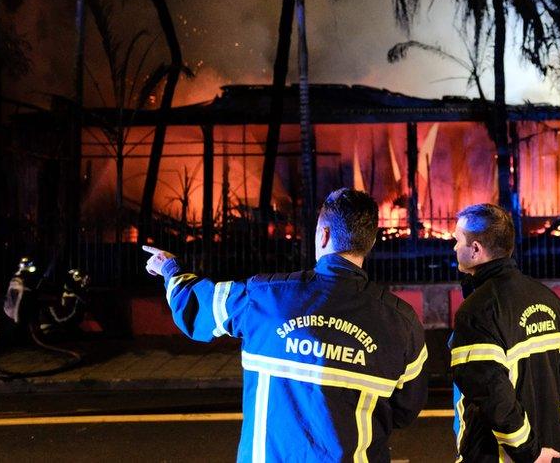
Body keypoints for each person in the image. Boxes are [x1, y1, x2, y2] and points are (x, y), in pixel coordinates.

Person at [143, 188, 428, 462]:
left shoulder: (266, 298)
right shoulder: (401, 322)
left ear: (324, 234)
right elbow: (405, 410)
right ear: (370, 241)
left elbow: (198, 308)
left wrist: (170, 269)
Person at [449, 204, 560, 463]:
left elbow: (492, 392)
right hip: (549, 454)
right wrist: (556, 432)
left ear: (476, 249)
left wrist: (528, 451)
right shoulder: (550, 300)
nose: (454, 248)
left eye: (457, 241)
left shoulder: (477, 311)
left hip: (501, 455)